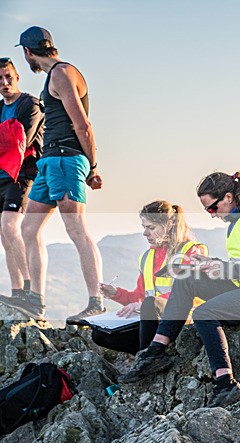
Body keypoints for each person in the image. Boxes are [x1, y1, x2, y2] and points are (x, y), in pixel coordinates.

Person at [118, 172, 240, 409]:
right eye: (208, 211)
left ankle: (226, 383)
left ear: (228, 196)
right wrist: (208, 263)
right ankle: (155, 351)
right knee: (187, 277)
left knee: (204, 313)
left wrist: (222, 267)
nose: (212, 215)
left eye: (213, 208)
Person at [4, 27, 104, 323]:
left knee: (76, 230)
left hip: (66, 160)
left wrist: (93, 167)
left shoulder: (61, 73)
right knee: (28, 230)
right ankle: (35, 299)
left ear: (27, 52)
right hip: (50, 162)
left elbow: (82, 124)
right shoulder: (55, 75)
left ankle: (95, 301)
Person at [91, 201, 207, 355]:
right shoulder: (147, 258)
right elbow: (139, 297)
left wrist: (146, 305)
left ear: (170, 224)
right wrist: (116, 293)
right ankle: (146, 353)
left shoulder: (191, 251)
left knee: (150, 303)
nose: (145, 233)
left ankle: (145, 361)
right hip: (155, 321)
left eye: (151, 228)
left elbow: (188, 294)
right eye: (144, 227)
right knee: (99, 335)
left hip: (183, 321)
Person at [0, 57, 43, 303]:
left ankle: (30, 288)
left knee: (10, 227)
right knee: (4, 236)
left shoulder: (30, 105)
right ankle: (17, 292)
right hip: (0, 175)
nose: (5, 83)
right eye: (0, 79)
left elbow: (20, 139)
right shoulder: (0, 108)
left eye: (8, 77)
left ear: (17, 77)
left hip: (20, 174)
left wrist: (7, 134)